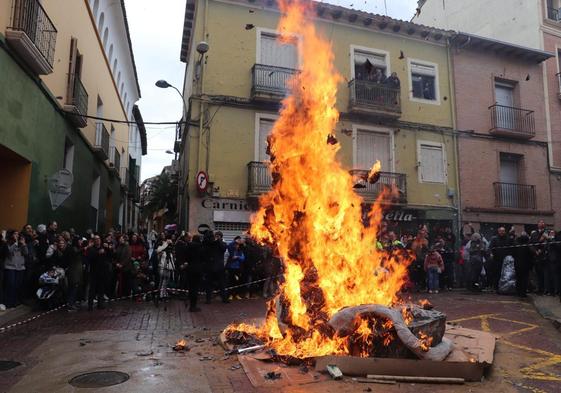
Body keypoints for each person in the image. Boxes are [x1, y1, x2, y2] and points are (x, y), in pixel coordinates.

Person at [1, 230, 27, 308]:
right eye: (15, 234)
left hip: (20, 267)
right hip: (10, 267)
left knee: (17, 285)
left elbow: (26, 253)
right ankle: (8, 302)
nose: (17, 235)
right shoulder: (7, 243)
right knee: (10, 285)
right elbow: (9, 252)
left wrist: (24, 244)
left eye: (18, 234)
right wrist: (15, 243)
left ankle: (15, 301)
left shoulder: (21, 244)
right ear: (11, 235)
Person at [86, 235, 111, 310]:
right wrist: (98, 253)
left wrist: (109, 248)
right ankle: (90, 305)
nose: (98, 240)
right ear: (94, 241)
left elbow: (110, 256)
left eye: (99, 239)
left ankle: (100, 304)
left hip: (102, 271)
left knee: (101, 289)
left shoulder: (104, 248)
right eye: (96, 239)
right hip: (94, 272)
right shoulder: (91, 249)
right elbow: (89, 258)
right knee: (92, 289)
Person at [204, 231, 228, 304]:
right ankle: (208, 299)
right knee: (209, 284)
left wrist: (219, 241)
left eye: (218, 236)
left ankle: (224, 298)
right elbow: (206, 246)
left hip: (219, 268)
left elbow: (223, 248)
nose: (216, 237)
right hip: (211, 267)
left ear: (221, 237)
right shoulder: (211, 243)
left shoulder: (223, 243)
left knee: (222, 284)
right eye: (215, 235)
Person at [489, 227, 513, 291]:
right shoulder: (494, 239)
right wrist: (491, 254)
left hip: (506, 260)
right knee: (497, 273)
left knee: (505, 274)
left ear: (505, 231)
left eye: (503, 231)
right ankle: (496, 287)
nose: (502, 232)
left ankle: (504, 287)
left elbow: (512, 247)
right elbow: (490, 247)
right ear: (498, 231)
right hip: (497, 259)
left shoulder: (508, 239)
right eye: (500, 231)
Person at [185, 234, 205, 311]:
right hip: (198, 269)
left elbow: (186, 257)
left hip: (190, 269)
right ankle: (194, 305)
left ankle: (191, 304)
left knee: (191, 287)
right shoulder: (201, 247)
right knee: (196, 288)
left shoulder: (188, 246)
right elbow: (203, 258)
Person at [530, 220, 549, 295]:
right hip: (536, 256)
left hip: (544, 256)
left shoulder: (547, 232)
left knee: (544, 274)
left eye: (543, 222)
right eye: (540, 222)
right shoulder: (534, 233)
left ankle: (544, 289)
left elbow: (548, 243)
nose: (542, 223)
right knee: (536, 274)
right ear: (537, 224)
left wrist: (542, 250)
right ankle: (538, 289)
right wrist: (535, 251)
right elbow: (530, 244)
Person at [156, 235, 175, 301]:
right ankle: (160, 295)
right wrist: (165, 244)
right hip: (162, 267)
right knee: (162, 281)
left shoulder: (170, 252)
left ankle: (163, 294)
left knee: (166, 282)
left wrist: (172, 268)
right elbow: (158, 250)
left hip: (168, 268)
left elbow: (172, 259)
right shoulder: (161, 250)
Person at [514, 232, 533, 298]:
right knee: (524, 279)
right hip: (526, 265)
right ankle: (523, 293)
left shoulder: (517, 246)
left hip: (517, 264)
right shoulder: (528, 246)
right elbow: (531, 255)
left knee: (518, 278)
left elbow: (514, 254)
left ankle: (518, 292)